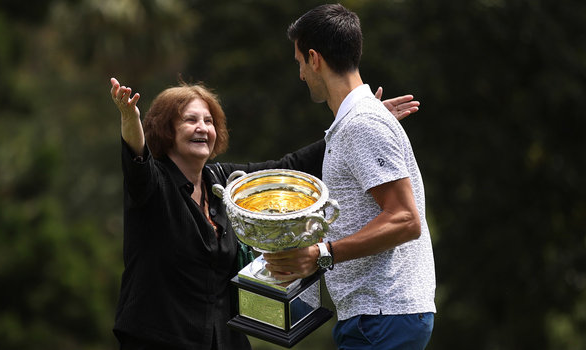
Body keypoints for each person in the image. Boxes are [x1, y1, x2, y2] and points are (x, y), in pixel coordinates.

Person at [109, 77, 418, 350]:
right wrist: (129, 119)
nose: (203, 128)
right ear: (166, 130)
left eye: (208, 120)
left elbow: (291, 167)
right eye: (190, 120)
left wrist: (355, 126)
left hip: (223, 340)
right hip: (159, 340)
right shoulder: (153, 186)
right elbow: (138, 161)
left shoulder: (224, 182)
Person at [263, 4, 436, 350]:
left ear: (314, 58)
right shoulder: (356, 122)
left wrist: (322, 253)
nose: (300, 75)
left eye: (299, 63)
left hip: (383, 316)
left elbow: (405, 219)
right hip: (377, 317)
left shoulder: (361, 124)